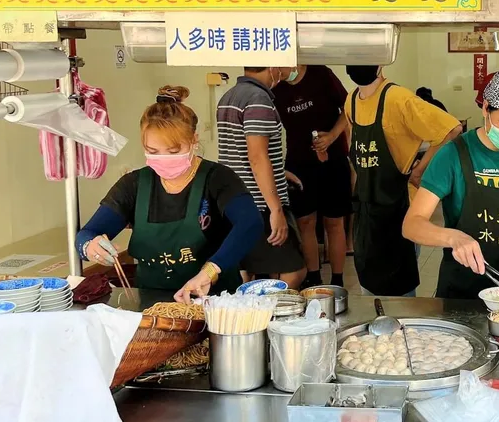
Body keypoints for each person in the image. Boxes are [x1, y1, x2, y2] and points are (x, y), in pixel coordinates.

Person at [75, 86, 263, 303]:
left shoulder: (217, 178)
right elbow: (87, 233)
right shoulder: (134, 185)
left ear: (194, 140)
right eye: (153, 152)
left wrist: (209, 272)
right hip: (151, 306)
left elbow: (250, 223)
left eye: (173, 151)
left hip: (215, 304)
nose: (163, 158)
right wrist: (90, 246)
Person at [403, 70, 499, 299]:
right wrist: (453, 238)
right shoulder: (453, 154)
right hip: (462, 290)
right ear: (486, 108)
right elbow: (412, 225)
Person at [345, 65, 463, 297]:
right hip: (367, 210)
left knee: (399, 293)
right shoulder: (351, 100)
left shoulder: (399, 98)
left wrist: (419, 171)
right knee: (368, 286)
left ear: (380, 64)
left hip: (398, 207)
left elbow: (451, 129)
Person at [217, 67, 307, 289]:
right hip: (259, 204)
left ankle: (248, 319)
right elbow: (257, 156)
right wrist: (275, 210)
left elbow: (239, 151)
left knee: (245, 272)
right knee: (293, 272)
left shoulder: (229, 96)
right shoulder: (258, 99)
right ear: (273, 65)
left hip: (233, 199)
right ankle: (271, 319)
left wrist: (278, 171)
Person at [273, 65, 351, 289]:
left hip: (332, 159)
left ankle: (337, 280)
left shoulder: (321, 74)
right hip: (298, 163)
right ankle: (314, 278)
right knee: (305, 222)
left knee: (334, 222)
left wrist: (333, 136)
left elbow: (348, 109)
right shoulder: (275, 87)